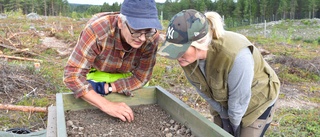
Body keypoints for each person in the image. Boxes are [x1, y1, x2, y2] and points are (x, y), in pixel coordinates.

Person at [158, 9, 280, 137]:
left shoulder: (235, 55)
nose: (177, 56)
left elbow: (239, 100)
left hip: (257, 100)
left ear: (198, 43)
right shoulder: (186, 58)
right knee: (218, 132)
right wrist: (223, 115)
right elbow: (201, 89)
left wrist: (233, 125)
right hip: (224, 100)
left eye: (180, 50)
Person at [63, 0, 162, 123]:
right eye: (136, 30)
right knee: (80, 93)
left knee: (142, 91)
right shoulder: (97, 31)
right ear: (120, 22)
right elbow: (72, 75)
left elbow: (142, 78)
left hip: (127, 74)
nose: (142, 38)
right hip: (99, 71)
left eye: (147, 31)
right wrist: (106, 104)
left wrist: (108, 88)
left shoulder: (151, 37)